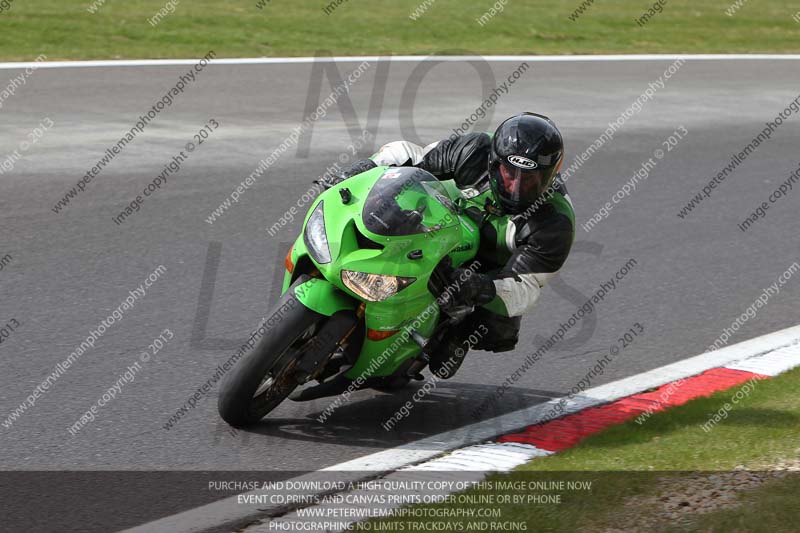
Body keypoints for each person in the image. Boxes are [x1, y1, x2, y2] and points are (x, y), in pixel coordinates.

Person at [329, 112, 575, 378]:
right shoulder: (473, 150)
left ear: (550, 176)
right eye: (509, 173)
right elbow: (409, 156)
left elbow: (526, 286)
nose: (515, 186)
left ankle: (455, 333)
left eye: (528, 179)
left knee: (483, 334)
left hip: (486, 267)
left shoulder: (555, 223)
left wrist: (479, 287)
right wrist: (364, 168)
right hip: (435, 221)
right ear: (494, 162)